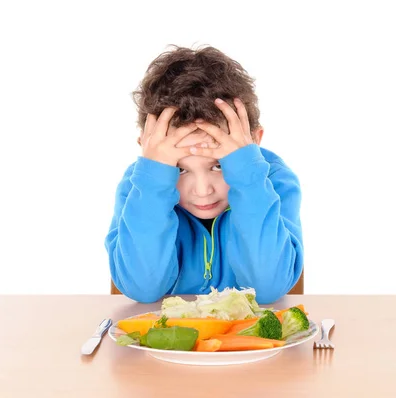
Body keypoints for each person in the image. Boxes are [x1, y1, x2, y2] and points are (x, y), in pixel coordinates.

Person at [105, 45, 303, 304]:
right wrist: (154, 177)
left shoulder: (273, 182)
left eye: (218, 165)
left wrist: (246, 171)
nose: (202, 190)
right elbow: (143, 289)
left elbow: (265, 290)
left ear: (254, 143)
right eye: (179, 169)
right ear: (147, 149)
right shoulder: (140, 186)